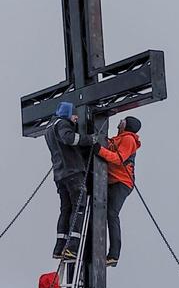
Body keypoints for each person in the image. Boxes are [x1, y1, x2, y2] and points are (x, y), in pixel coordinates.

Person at [44, 102, 95, 259]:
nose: (76, 118)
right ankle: (72, 247)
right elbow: (70, 139)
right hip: (72, 171)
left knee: (65, 209)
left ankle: (59, 247)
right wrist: (89, 139)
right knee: (78, 207)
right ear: (67, 113)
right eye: (74, 114)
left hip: (59, 175)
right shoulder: (63, 124)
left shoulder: (49, 128)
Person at [94, 116, 142, 267]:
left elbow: (118, 158)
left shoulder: (128, 139)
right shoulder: (119, 138)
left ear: (126, 125)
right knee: (101, 210)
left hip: (122, 182)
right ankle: (110, 254)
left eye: (123, 120)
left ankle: (114, 254)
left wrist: (99, 150)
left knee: (112, 214)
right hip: (112, 180)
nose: (120, 121)